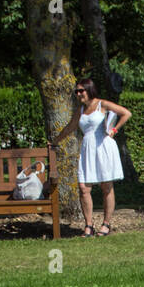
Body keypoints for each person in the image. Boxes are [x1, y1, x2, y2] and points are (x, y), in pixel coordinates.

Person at [49, 78, 130, 236]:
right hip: (87, 149)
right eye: (76, 91)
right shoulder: (80, 110)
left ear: (89, 90)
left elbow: (126, 113)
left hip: (104, 147)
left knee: (106, 186)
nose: (78, 94)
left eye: (81, 90)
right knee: (84, 188)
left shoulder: (102, 104)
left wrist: (114, 129)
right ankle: (89, 225)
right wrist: (55, 142)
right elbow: (70, 127)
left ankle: (106, 224)